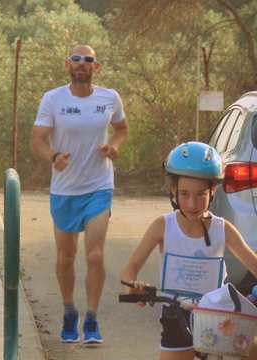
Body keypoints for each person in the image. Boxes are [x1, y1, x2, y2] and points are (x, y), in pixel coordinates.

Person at [120, 142, 257, 360]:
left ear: (213, 190)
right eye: (184, 194)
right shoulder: (162, 226)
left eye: (201, 194)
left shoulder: (223, 229)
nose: (192, 203)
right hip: (176, 315)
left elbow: (254, 263)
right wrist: (134, 287)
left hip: (217, 317)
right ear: (172, 189)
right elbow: (131, 268)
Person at [30, 44, 129, 344]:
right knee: (65, 257)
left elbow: (122, 129)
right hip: (65, 189)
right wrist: (53, 156)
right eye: (76, 59)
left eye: (88, 59)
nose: (82, 63)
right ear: (68, 65)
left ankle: (92, 320)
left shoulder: (109, 97)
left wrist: (115, 145)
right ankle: (69, 310)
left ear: (96, 66)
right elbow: (37, 140)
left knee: (95, 255)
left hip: (99, 186)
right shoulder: (53, 99)